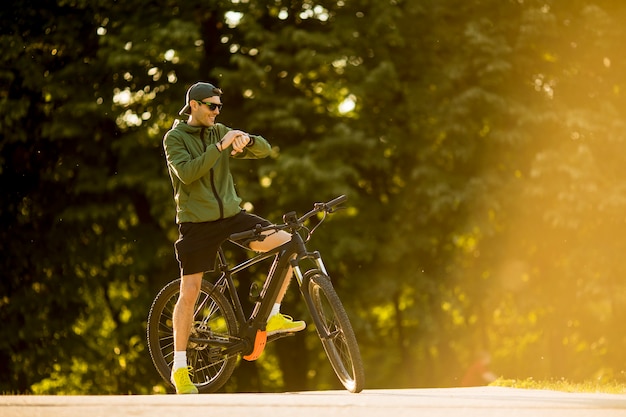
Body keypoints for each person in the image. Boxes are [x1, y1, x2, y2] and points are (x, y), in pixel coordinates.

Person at [163, 82, 305, 394]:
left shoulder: (220, 131)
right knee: (190, 291)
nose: (216, 112)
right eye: (211, 106)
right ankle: (180, 367)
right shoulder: (175, 138)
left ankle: (273, 314)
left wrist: (247, 139)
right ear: (194, 106)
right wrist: (221, 146)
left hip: (231, 216)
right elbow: (188, 173)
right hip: (196, 224)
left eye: (219, 107)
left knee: (286, 243)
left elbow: (265, 149)